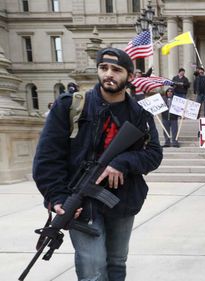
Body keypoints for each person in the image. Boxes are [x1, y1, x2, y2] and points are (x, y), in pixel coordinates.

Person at [32, 47, 163, 281]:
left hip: (123, 200)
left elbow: (153, 154)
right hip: (81, 201)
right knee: (92, 270)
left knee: (116, 262)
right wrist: (57, 197)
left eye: (116, 69)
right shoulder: (70, 106)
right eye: (103, 68)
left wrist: (122, 162)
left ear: (130, 77)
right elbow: (47, 159)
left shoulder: (139, 114)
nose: (108, 74)